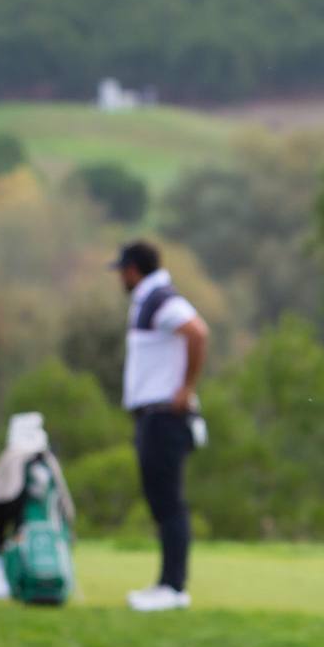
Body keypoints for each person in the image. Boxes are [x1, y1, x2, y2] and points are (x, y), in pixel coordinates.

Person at [111, 240, 207, 612]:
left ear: (134, 269)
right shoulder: (148, 300)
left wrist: (185, 387)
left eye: (122, 270)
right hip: (153, 416)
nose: (120, 277)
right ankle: (167, 584)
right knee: (161, 502)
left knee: (169, 503)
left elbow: (197, 332)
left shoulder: (161, 298)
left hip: (165, 416)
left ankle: (173, 587)